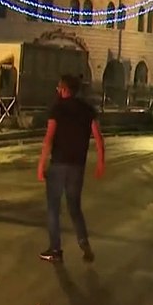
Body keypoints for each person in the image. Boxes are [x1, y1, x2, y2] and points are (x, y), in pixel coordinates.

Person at [37, 74, 106, 263]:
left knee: (53, 208)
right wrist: (101, 161)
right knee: (74, 207)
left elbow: (49, 137)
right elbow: (98, 138)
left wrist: (41, 163)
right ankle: (84, 243)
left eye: (59, 87)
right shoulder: (88, 110)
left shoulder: (57, 109)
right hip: (78, 166)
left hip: (59, 164)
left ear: (65, 89)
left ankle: (56, 250)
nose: (57, 90)